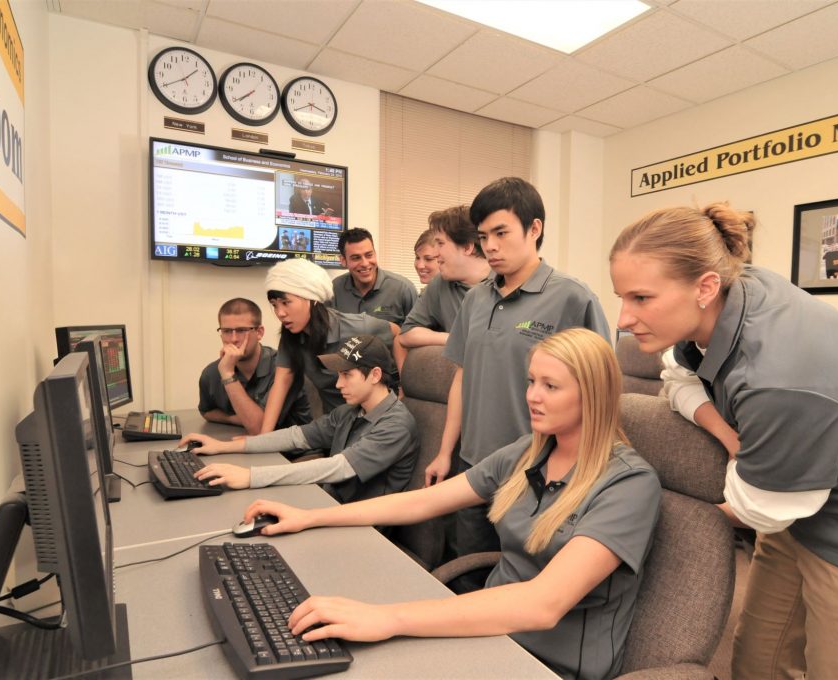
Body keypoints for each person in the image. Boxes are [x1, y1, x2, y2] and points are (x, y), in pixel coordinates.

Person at [609, 203, 838, 680]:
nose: (624, 318)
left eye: (641, 298)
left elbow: (760, 508)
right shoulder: (731, 293)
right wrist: (730, 436)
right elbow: (677, 376)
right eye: (622, 297)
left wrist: (660, 512)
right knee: (758, 663)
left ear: (705, 287)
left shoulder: (781, 373)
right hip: (799, 509)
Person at [241, 328, 661, 680]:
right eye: (531, 381)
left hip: (547, 664)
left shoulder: (628, 484)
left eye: (550, 386)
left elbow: (543, 605)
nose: (532, 396)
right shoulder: (527, 453)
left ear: (593, 395)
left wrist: (391, 618)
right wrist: (311, 517)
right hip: (488, 633)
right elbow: (422, 503)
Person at [423, 177, 611, 577]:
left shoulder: (572, 297)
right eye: (483, 236)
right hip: (474, 467)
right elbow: (462, 379)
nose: (489, 246)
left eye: (501, 233)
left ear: (535, 229)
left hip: (538, 475)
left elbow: (601, 395)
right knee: (468, 579)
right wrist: (445, 452)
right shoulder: (475, 299)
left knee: (524, 584)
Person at [187, 335, 418, 504]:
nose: (338, 385)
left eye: (346, 375)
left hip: (363, 526)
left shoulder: (396, 424)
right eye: (338, 376)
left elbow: (338, 468)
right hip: (328, 503)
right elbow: (297, 436)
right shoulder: (350, 411)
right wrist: (224, 447)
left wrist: (251, 476)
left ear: (375, 375)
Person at [259, 258, 397, 434]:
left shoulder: (355, 326)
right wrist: (262, 439)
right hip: (335, 427)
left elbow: (397, 333)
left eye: (286, 303)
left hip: (372, 426)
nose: (280, 313)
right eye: (274, 305)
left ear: (312, 299)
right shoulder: (291, 337)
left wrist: (405, 390)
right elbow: (281, 384)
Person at [198, 298, 311, 435]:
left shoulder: (283, 368)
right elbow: (207, 411)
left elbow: (260, 430)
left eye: (241, 330)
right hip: (249, 449)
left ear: (259, 332)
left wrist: (228, 375)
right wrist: (237, 419)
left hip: (294, 453)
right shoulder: (212, 372)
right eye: (227, 331)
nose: (233, 339)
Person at [399, 205, 492, 349]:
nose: (436, 253)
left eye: (440, 243)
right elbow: (407, 334)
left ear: (467, 247)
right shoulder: (440, 283)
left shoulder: (508, 281)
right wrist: (453, 338)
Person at [331, 227, 417, 326]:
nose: (365, 263)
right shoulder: (333, 290)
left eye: (369, 255)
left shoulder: (404, 289)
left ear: (375, 254)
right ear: (343, 260)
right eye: (356, 258)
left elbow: (417, 333)